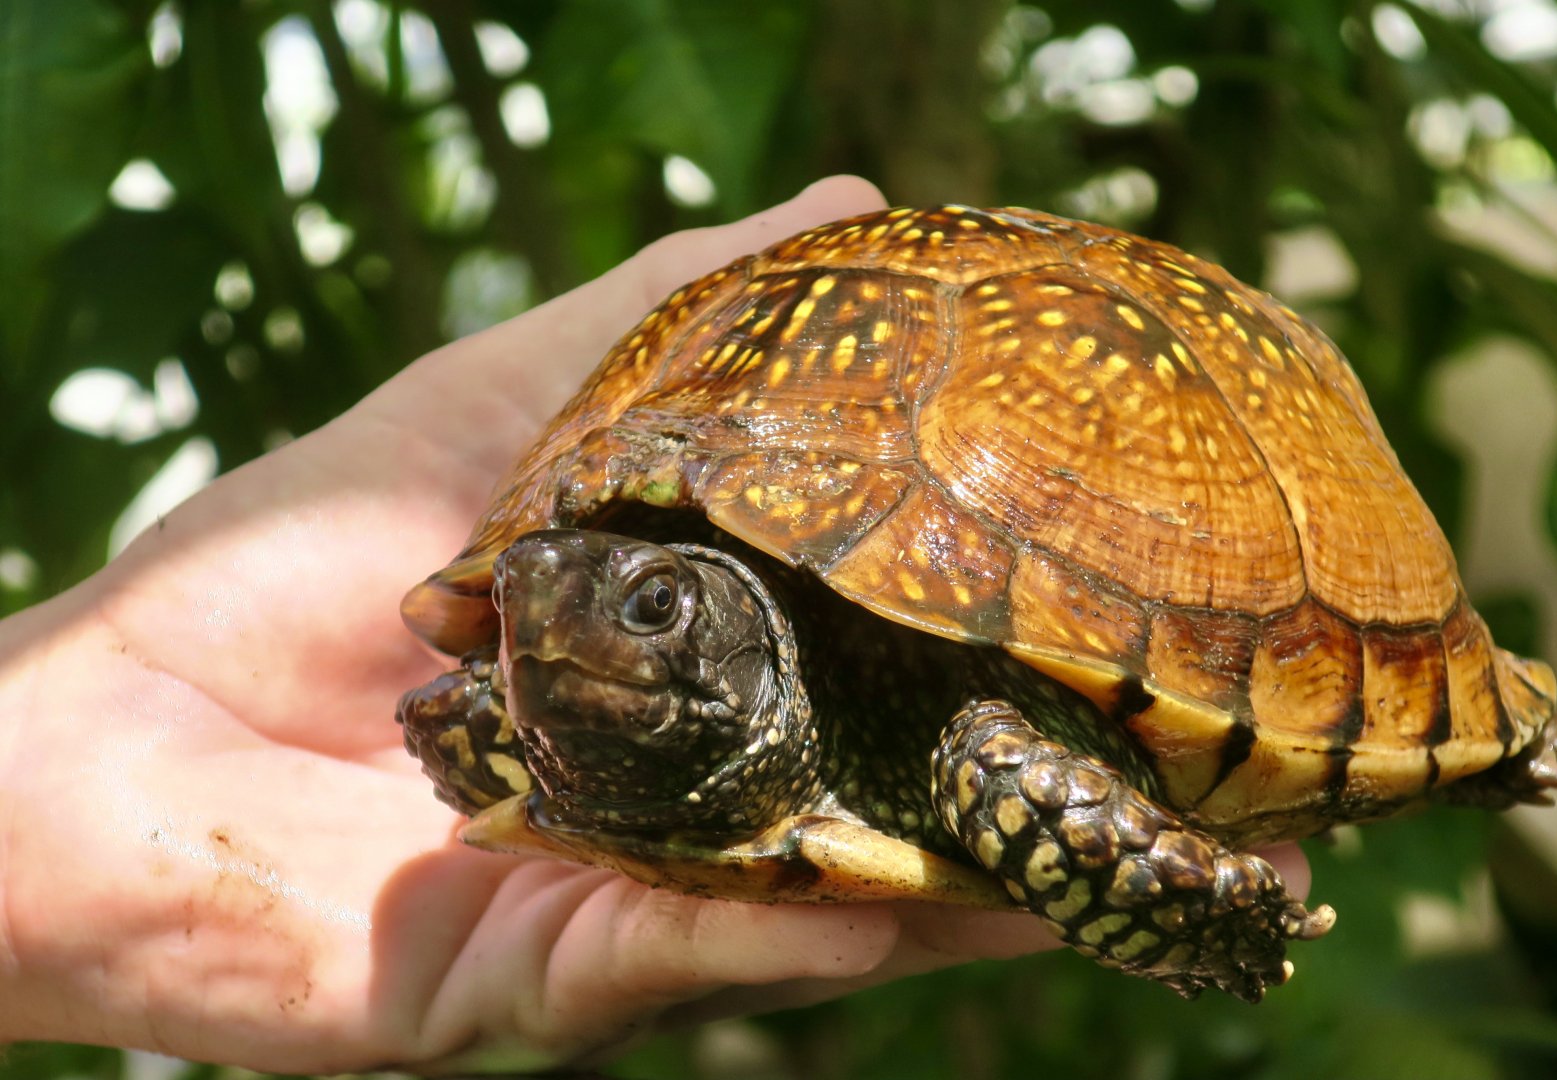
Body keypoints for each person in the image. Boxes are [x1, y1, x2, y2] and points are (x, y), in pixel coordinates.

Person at [0, 176, 1308, 1073]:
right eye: (525, 609)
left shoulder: (958, 722)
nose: (544, 636)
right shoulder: (525, 699)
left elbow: (1001, 743)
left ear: (752, 636)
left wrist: (1177, 909)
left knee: (996, 764)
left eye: (653, 605)